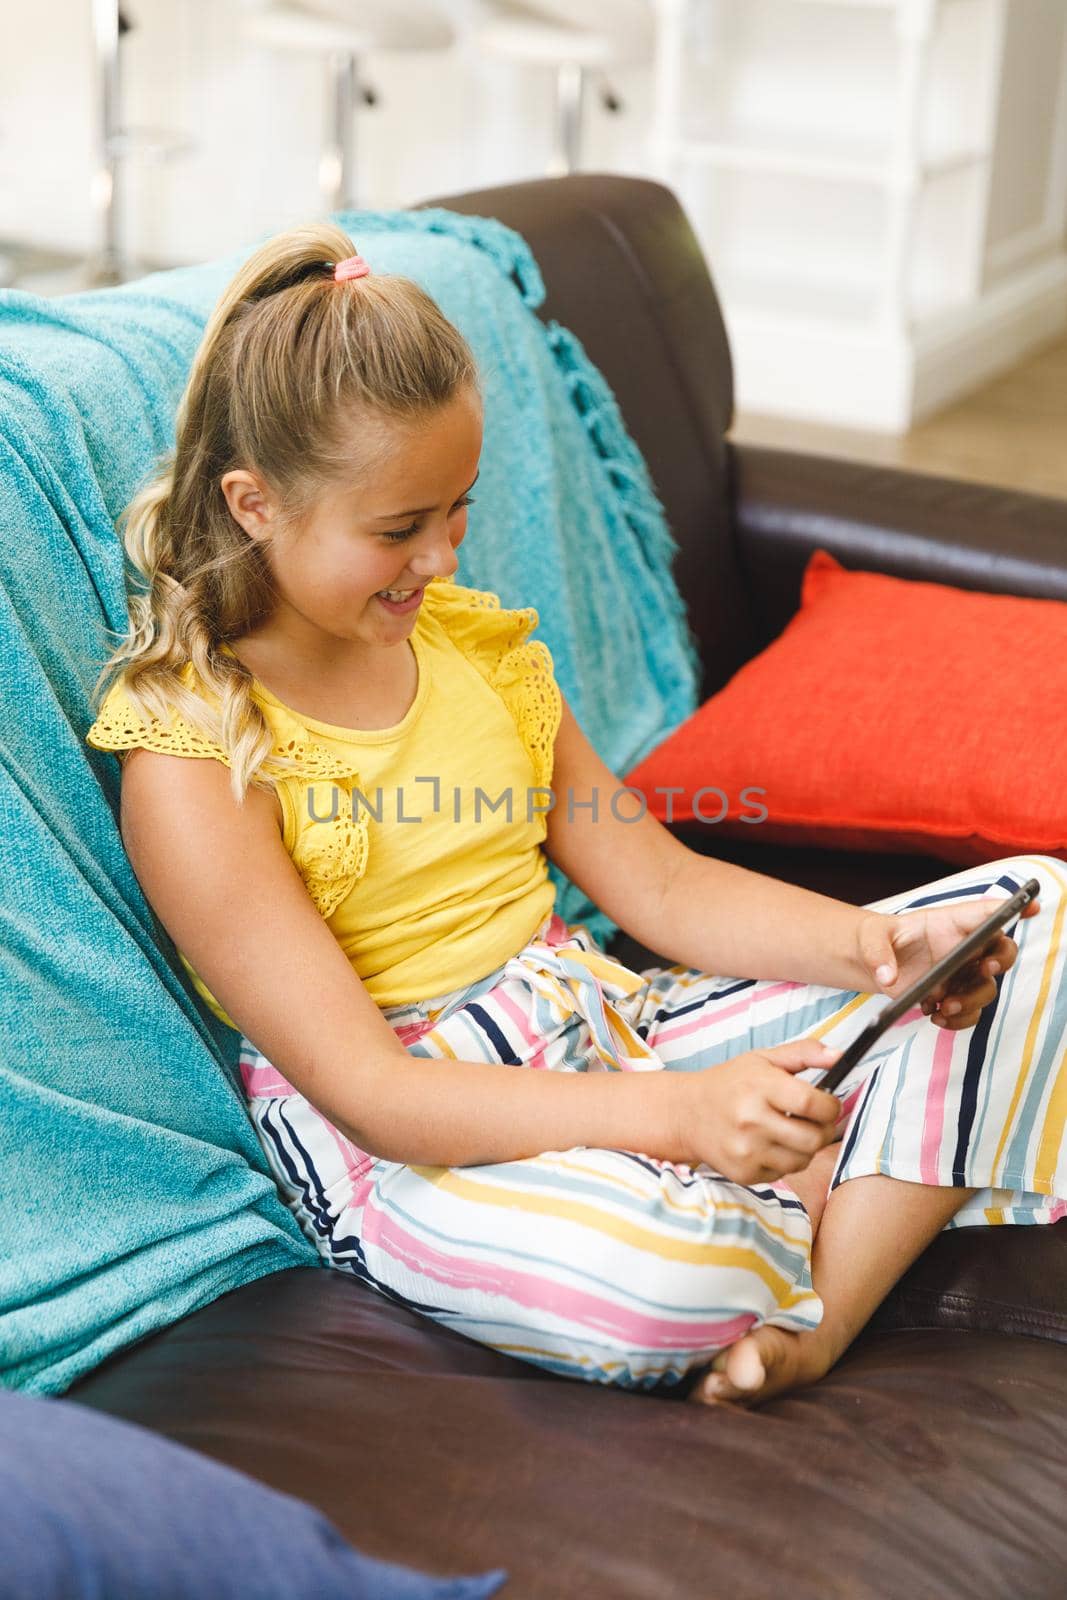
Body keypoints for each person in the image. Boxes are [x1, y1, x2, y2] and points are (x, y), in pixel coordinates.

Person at [87, 223, 1066, 1409]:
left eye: (459, 508)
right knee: (663, 1279)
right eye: (398, 528)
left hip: (601, 1021)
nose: (441, 558)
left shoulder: (482, 651)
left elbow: (659, 888)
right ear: (253, 505)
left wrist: (873, 949)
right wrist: (680, 1115)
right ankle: (811, 1189)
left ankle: (816, 1313)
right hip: (410, 1131)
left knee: (1029, 912)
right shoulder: (194, 751)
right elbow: (372, 1095)